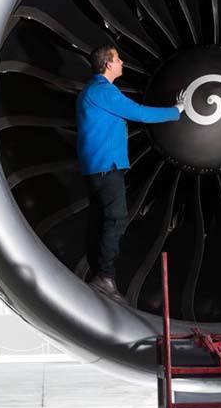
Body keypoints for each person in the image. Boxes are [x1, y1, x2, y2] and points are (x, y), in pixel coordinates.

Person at [78, 40, 186, 302]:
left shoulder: (92, 91)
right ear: (107, 64)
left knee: (101, 220)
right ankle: (104, 276)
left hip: (97, 166)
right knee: (115, 218)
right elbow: (139, 113)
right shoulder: (103, 91)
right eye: (118, 59)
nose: (122, 63)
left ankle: (97, 273)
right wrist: (177, 110)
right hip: (106, 167)